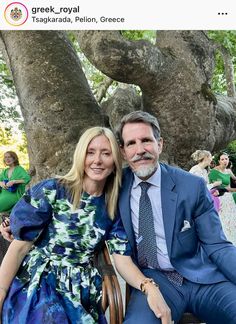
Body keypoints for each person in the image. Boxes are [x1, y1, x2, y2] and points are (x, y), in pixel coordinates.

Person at [0, 127, 164, 324]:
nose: (97, 160)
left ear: (115, 160)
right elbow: (19, 249)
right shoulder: (53, 191)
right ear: (80, 155)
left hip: (80, 288)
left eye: (106, 153)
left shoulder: (112, 207)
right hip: (40, 281)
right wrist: (1, 292)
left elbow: (122, 260)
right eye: (90, 152)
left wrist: (148, 286)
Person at [114, 110, 236, 324]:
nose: (140, 150)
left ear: (159, 144)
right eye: (131, 143)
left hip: (203, 279)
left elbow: (218, 245)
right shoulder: (115, 188)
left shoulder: (192, 186)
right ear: (123, 152)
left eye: (146, 140)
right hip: (154, 281)